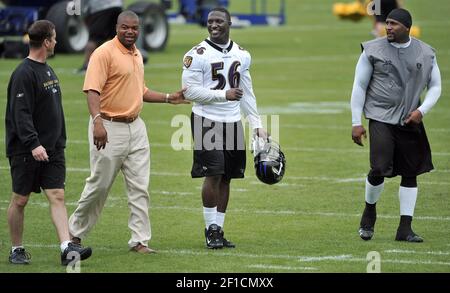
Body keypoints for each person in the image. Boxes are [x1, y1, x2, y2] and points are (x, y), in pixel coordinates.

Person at [68, 11, 187, 254]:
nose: (130, 31)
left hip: (136, 127)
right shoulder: (103, 53)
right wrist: (98, 122)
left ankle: (140, 241)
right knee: (99, 185)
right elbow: (92, 91)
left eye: (134, 28)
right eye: (125, 27)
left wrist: (168, 98)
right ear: (117, 27)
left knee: (140, 187)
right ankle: (74, 234)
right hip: (109, 127)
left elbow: (139, 90)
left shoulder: (136, 55)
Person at [350, 8, 442, 243]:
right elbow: (359, 86)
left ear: (407, 27)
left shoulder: (425, 52)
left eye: (393, 24)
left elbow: (436, 86)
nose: (387, 27)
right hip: (380, 117)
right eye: (387, 23)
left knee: (411, 173)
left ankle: (405, 228)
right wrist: (356, 122)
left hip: (410, 119)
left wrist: (422, 111)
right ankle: (369, 212)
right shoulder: (372, 49)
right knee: (379, 168)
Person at [5, 20, 92, 265]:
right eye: (53, 38)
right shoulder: (24, 73)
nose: (56, 42)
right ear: (46, 41)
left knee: (57, 195)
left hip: (53, 149)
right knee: (20, 200)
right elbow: (19, 113)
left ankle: (67, 249)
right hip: (27, 150)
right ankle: (16, 249)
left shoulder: (47, 69)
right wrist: (33, 144)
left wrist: (56, 141)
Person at [182, 7, 268, 249]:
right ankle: (210, 229)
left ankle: (219, 229)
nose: (214, 25)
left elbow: (247, 92)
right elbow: (190, 92)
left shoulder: (242, 54)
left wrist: (257, 124)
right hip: (206, 119)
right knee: (213, 173)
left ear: (230, 23)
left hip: (232, 121)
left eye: (219, 21)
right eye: (210, 21)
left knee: (227, 177)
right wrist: (224, 94)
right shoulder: (196, 54)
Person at [78, 0, 123, 72]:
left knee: (94, 38)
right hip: (117, 5)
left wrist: (82, 16)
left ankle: (87, 66)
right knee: (118, 39)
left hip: (100, 8)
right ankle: (123, 63)